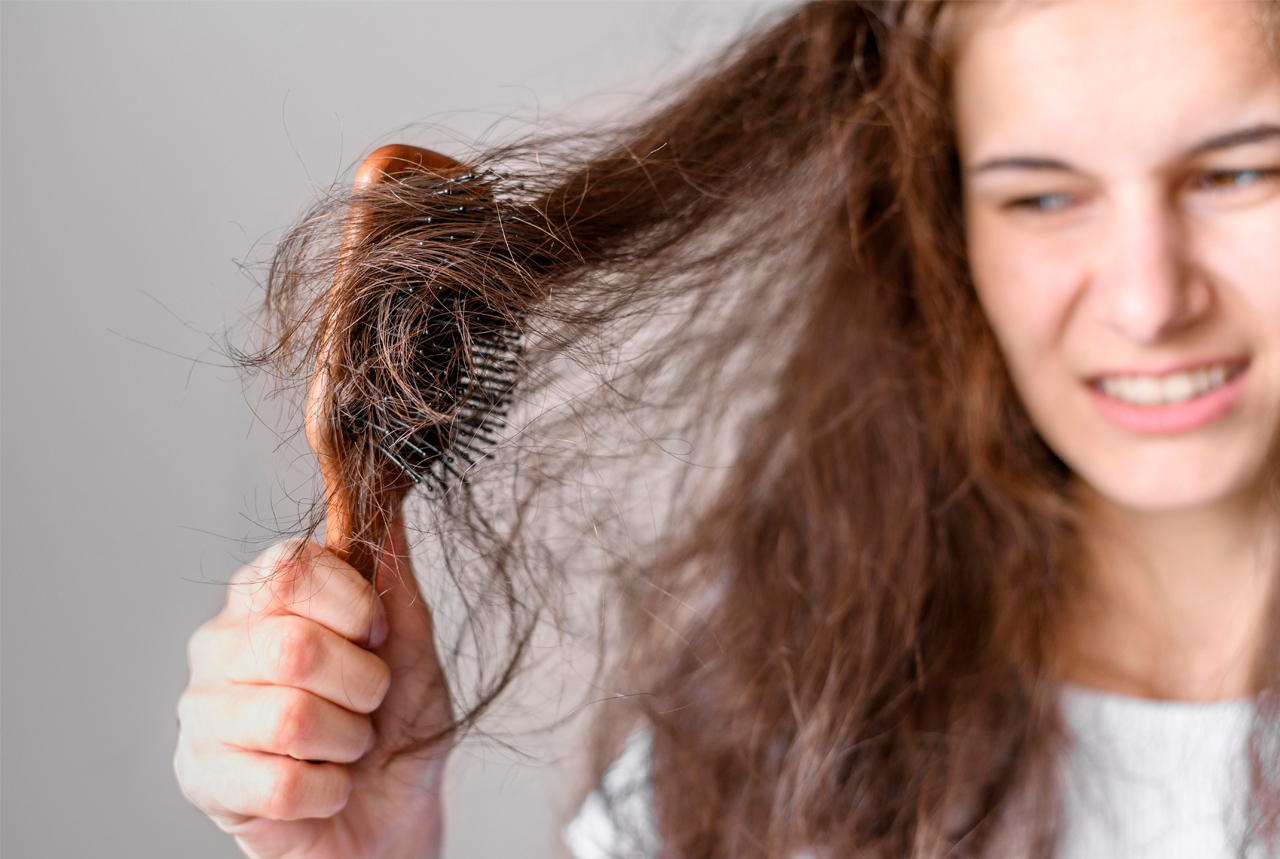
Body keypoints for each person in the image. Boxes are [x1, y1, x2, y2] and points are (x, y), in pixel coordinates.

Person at [174, 0, 1280, 855]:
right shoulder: (774, 713)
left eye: (1238, 172)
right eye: (1040, 196)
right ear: (946, 232)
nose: (1147, 300)